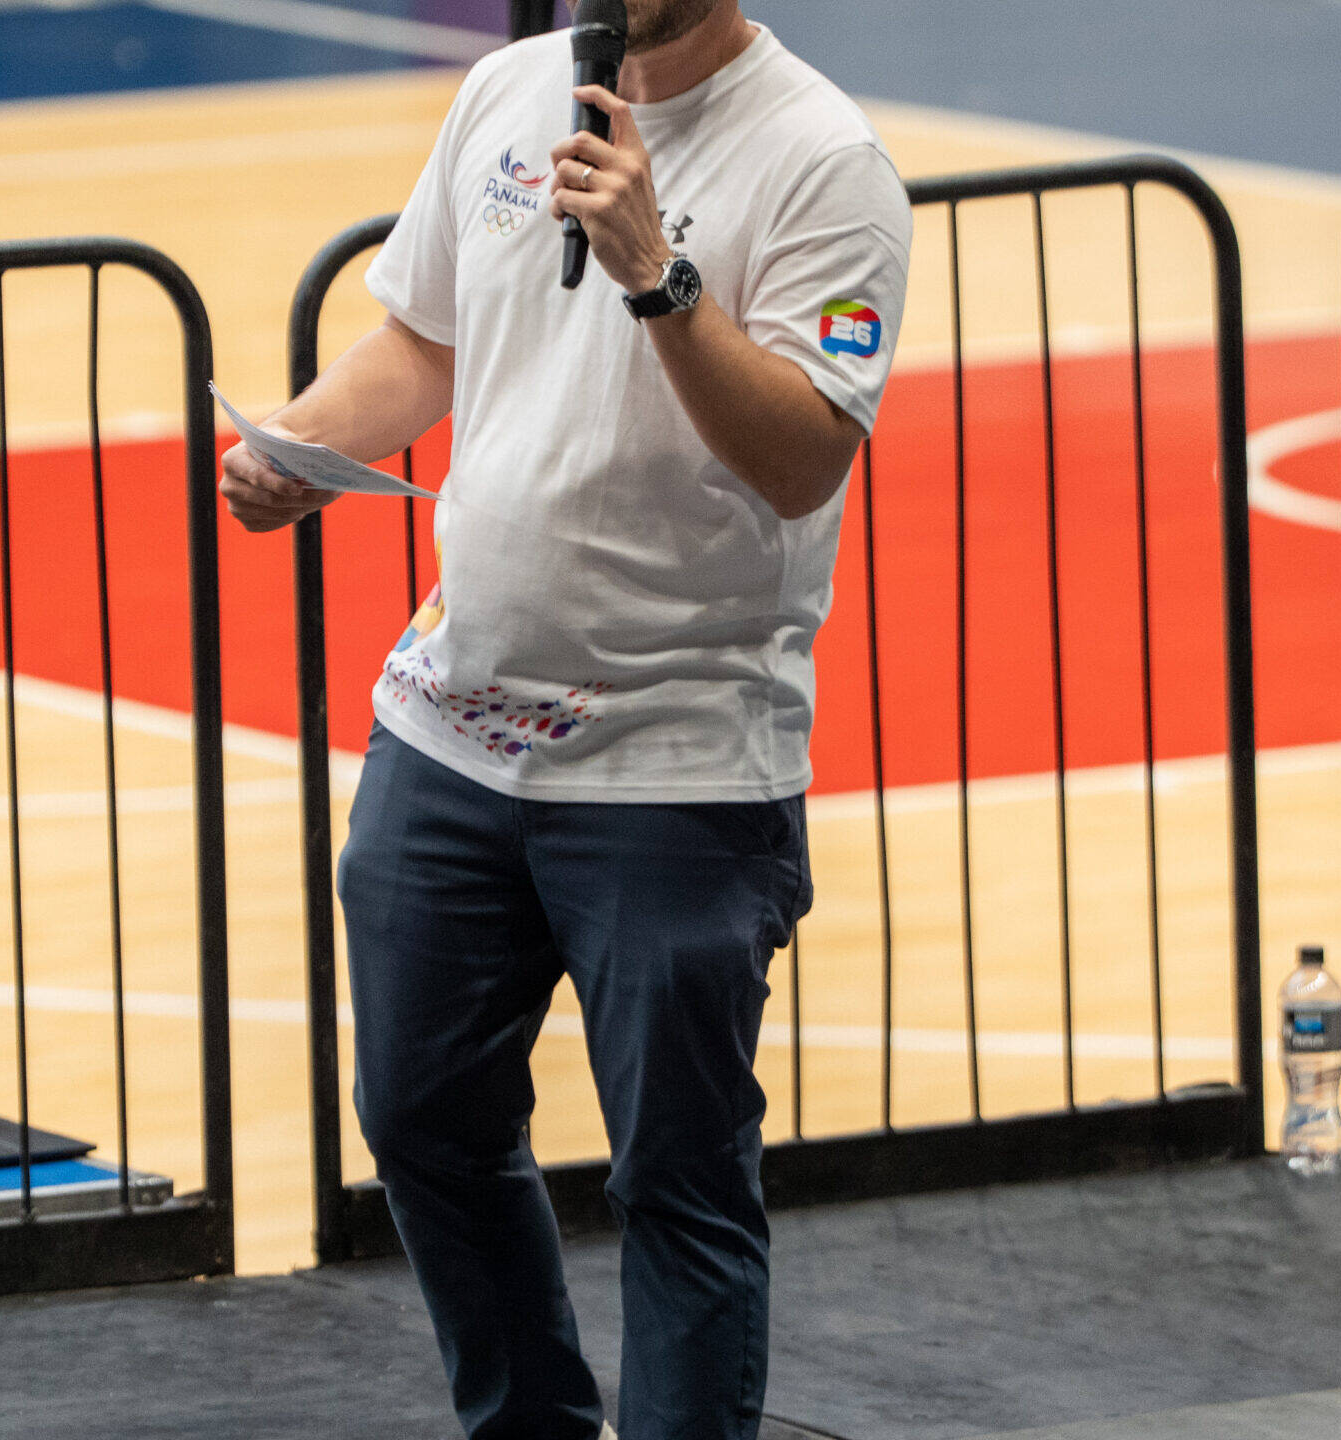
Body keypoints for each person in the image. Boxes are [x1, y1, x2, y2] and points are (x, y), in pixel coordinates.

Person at [219, 2, 911, 1436]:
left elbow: (803, 458)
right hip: (455, 729)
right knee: (421, 1120)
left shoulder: (826, 162)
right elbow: (425, 344)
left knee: (678, 1182)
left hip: (675, 761)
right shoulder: (506, 90)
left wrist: (658, 273)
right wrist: (301, 446)